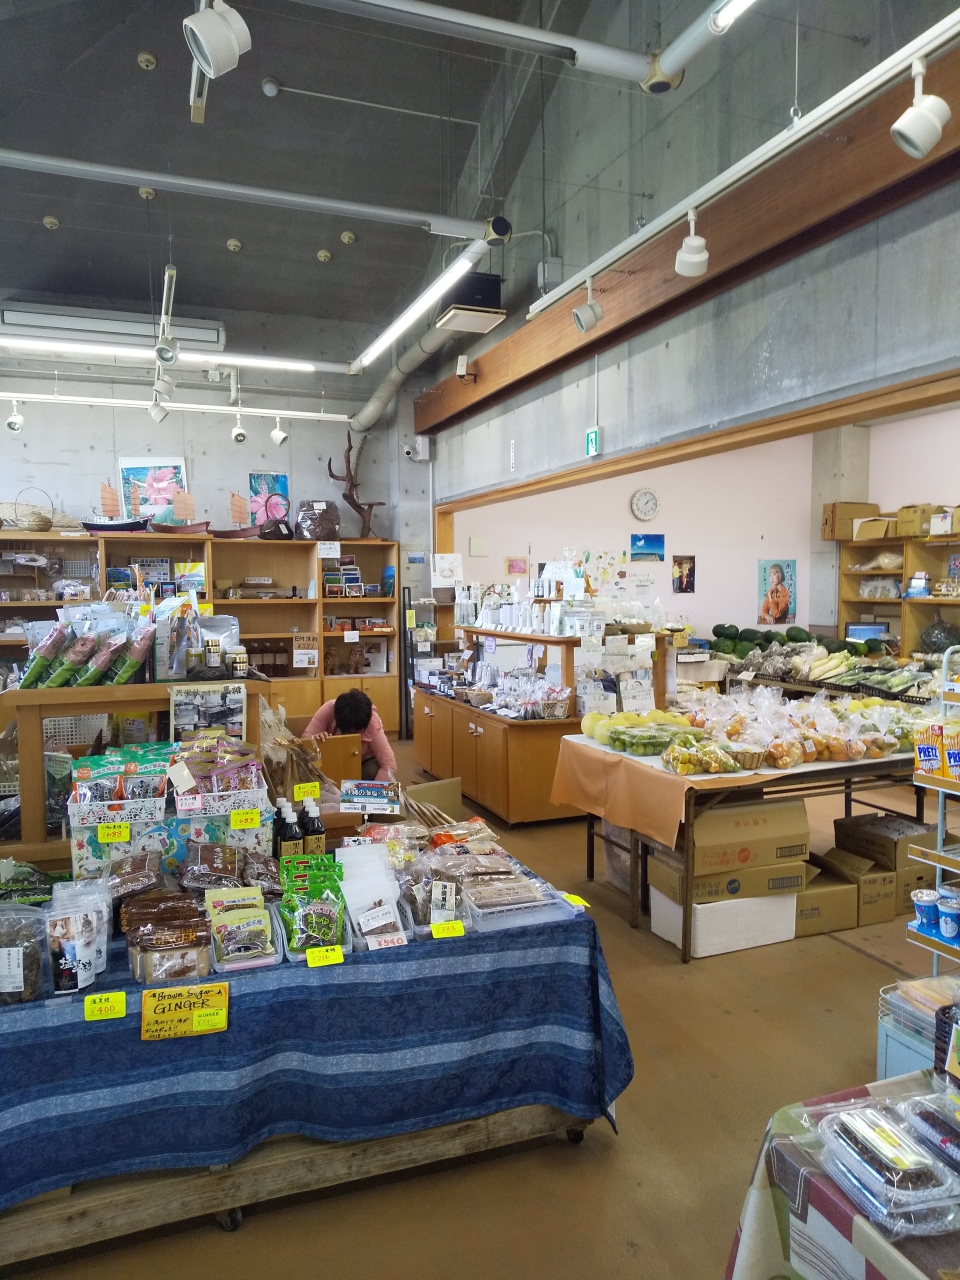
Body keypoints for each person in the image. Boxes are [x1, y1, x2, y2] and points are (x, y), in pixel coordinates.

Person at [303, 688, 397, 781]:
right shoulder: (329, 708)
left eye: (357, 731)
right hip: (332, 759)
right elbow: (304, 738)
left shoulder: (372, 722)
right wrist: (314, 739)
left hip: (362, 761)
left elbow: (389, 765)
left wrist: (373, 789)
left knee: (372, 770)